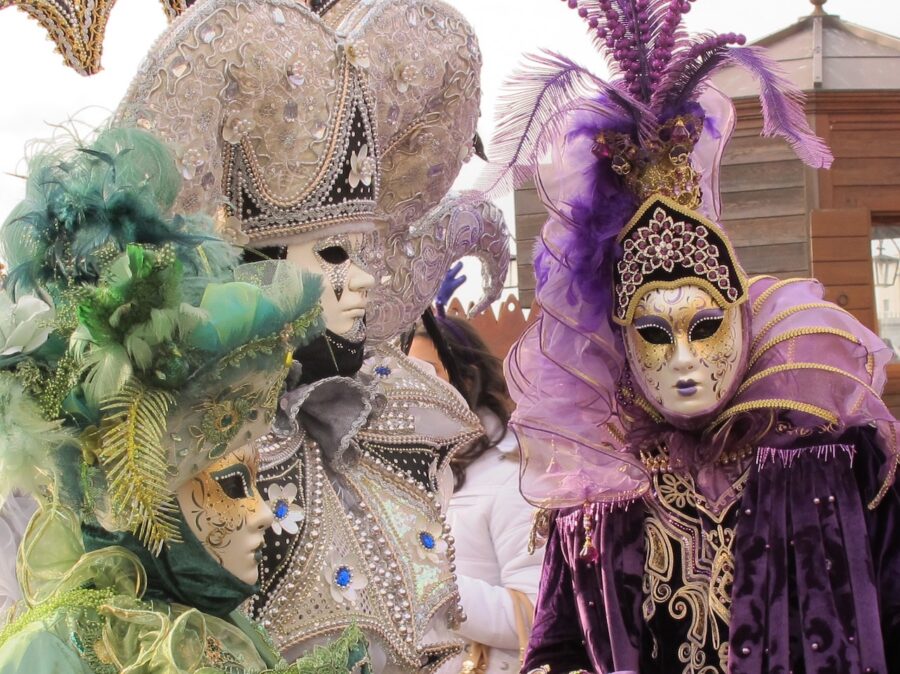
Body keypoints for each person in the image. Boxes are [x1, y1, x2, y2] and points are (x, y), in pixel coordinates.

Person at [480, 1, 900, 673]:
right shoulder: (600, 491)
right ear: (621, 339)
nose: (683, 360)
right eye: (653, 333)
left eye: (704, 327)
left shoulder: (833, 457)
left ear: (741, 314)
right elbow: (557, 649)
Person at [114, 0, 511, 670]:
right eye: (330, 256)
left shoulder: (377, 423)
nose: (361, 282)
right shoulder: (191, 444)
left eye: (359, 254)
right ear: (254, 271)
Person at [0, 127, 369, 672]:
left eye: (251, 482)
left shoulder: (216, 635)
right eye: (231, 484)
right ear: (142, 495)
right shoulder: (64, 649)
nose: (264, 513)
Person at [408, 311, 543, 674]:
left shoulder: (513, 474)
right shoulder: (412, 466)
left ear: (467, 379)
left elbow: (536, 615)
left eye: (424, 373)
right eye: (401, 375)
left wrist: (422, 582)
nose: (407, 389)